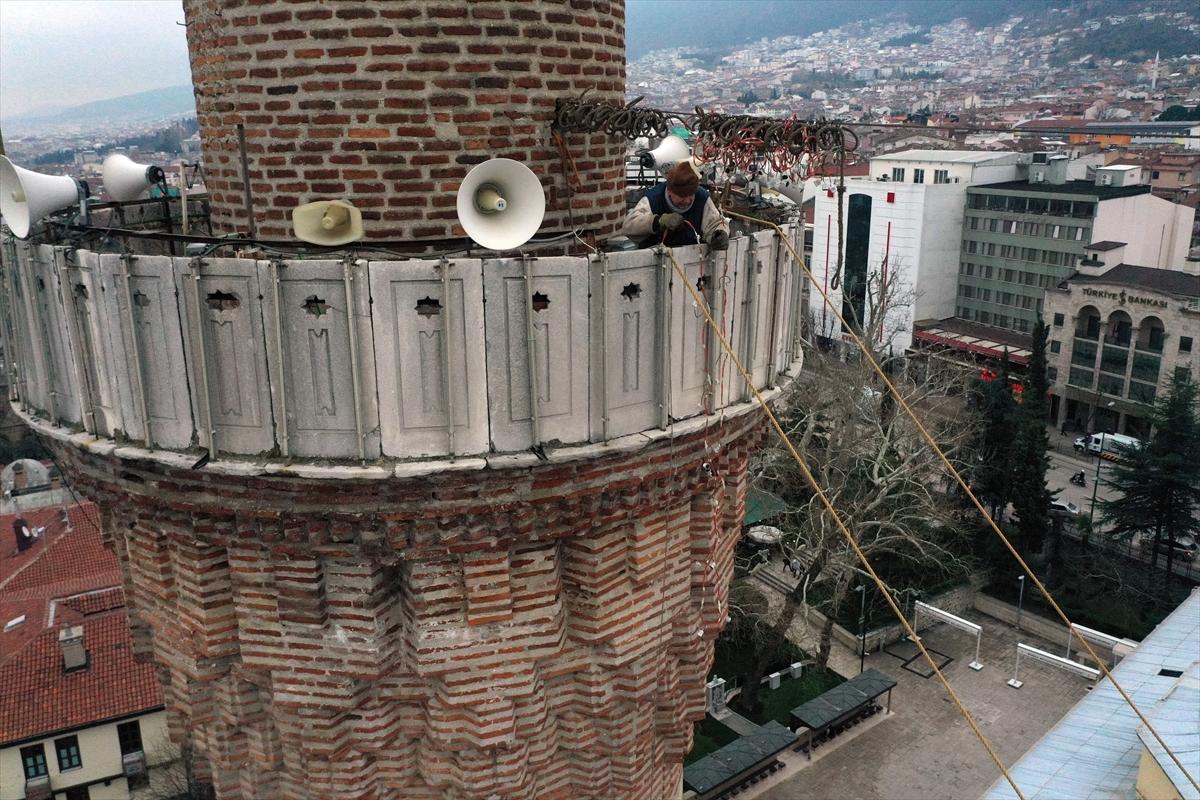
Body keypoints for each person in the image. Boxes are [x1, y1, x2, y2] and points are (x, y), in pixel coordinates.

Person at [622, 159, 730, 250]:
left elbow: (715, 223)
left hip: (693, 258)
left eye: (690, 195)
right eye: (682, 196)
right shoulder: (654, 198)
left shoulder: (702, 198)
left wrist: (719, 234)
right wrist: (657, 221)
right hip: (655, 259)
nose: (687, 201)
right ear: (669, 191)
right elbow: (629, 226)